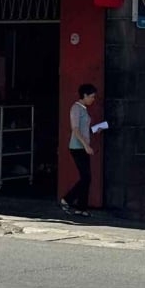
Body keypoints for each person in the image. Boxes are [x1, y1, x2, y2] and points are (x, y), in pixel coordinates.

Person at [61, 83, 98, 217]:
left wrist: (95, 129)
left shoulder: (83, 109)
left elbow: (83, 129)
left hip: (82, 146)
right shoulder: (76, 109)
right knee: (86, 177)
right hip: (77, 147)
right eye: (92, 97)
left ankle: (81, 208)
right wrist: (86, 146)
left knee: (86, 177)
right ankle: (68, 199)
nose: (93, 99)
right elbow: (75, 129)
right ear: (85, 95)